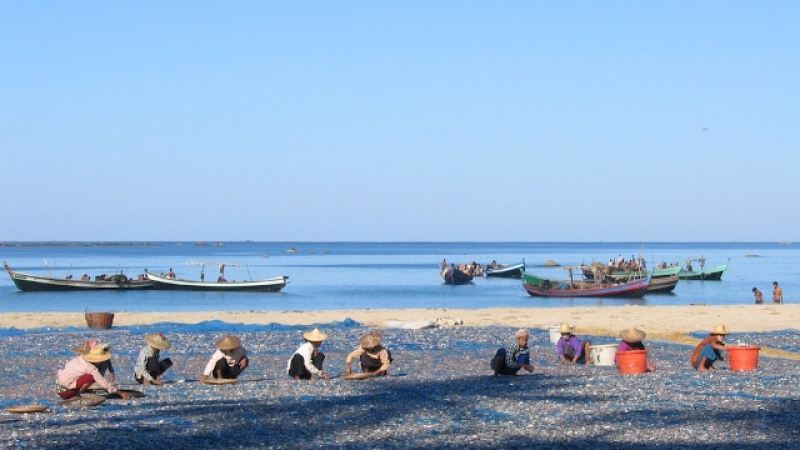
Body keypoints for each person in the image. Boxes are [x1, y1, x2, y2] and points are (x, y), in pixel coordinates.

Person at [57, 343, 131, 400]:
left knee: (89, 376)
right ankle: (76, 395)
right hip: (66, 391)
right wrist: (121, 393)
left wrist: (111, 372)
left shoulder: (81, 358)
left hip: (60, 386)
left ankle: (78, 391)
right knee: (92, 377)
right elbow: (103, 382)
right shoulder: (91, 368)